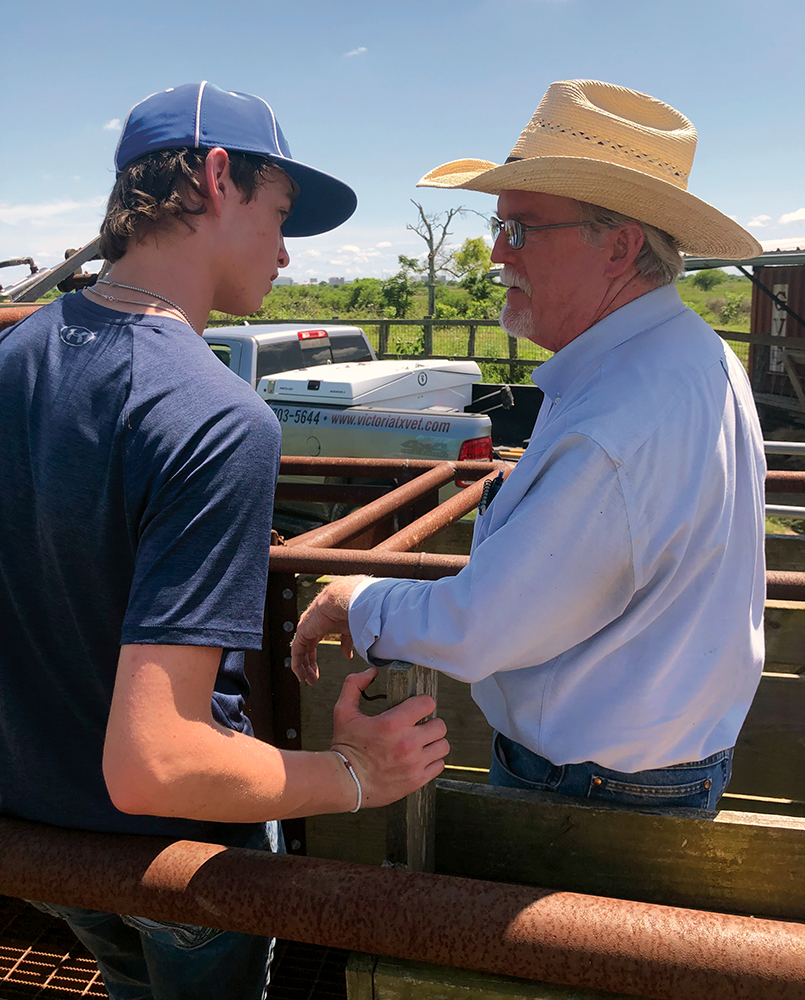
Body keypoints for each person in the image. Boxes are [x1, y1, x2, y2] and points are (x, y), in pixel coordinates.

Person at [0, 82, 448, 1000]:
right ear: (215, 178)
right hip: (181, 859)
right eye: (279, 213)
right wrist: (359, 775)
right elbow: (157, 762)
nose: (286, 253)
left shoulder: (12, 361)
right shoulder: (212, 415)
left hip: (38, 842)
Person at [292, 79, 767, 814]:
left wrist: (357, 598)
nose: (494, 250)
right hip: (652, 764)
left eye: (520, 228)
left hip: (596, 786)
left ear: (618, 246)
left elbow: (483, 630)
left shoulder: (617, 414)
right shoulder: (684, 356)